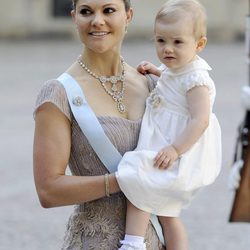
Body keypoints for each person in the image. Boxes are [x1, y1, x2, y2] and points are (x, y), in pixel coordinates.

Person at [33, 0, 165, 249]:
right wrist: (123, 180)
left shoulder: (152, 84)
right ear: (74, 18)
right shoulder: (59, 93)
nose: (97, 20)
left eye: (108, 10)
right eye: (86, 12)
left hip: (156, 239)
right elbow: (48, 190)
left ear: (128, 15)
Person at [115, 0, 222, 249]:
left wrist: (175, 149)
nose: (167, 49)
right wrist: (156, 71)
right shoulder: (178, 69)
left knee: (138, 177)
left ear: (200, 44)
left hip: (178, 149)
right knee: (168, 213)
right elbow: (174, 85)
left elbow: (201, 120)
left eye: (177, 42)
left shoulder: (197, 79)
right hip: (166, 142)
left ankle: (133, 243)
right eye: (161, 41)